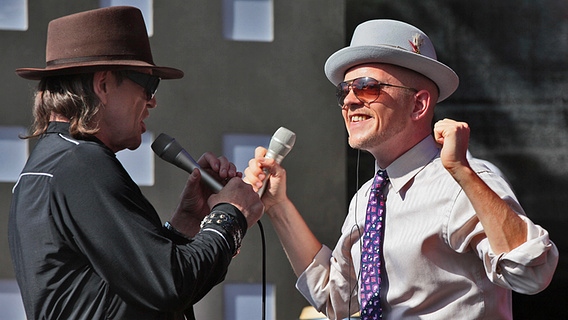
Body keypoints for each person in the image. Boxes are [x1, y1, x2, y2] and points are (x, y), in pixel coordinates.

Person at [244, 20, 558, 319]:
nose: (350, 100)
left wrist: (461, 172)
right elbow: (335, 298)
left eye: (367, 87)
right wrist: (278, 206)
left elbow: (531, 274)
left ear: (419, 105)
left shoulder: (463, 180)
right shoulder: (368, 196)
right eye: (344, 90)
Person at [8, 6, 264, 320]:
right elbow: (170, 284)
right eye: (147, 84)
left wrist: (185, 223)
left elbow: (123, 289)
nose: (152, 100)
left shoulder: (51, 162)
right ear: (102, 85)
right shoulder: (81, 162)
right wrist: (230, 214)